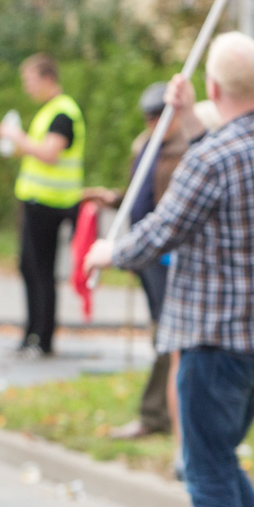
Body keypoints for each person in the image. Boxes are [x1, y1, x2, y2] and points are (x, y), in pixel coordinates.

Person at [86, 32, 254, 507]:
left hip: (216, 336)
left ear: (216, 89)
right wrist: (188, 120)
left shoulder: (210, 159)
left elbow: (162, 229)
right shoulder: (227, 146)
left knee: (204, 465)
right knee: (220, 458)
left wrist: (110, 250)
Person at [81, 81, 193, 439]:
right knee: (160, 330)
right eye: (147, 118)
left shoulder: (186, 149)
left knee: (167, 332)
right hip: (144, 254)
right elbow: (139, 194)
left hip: (168, 255)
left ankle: (155, 414)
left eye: (158, 116)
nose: (152, 123)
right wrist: (113, 199)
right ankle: (159, 412)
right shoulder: (146, 147)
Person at [0, 53, 85, 359]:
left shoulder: (63, 112)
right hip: (39, 201)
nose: (27, 88)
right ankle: (31, 334)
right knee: (30, 268)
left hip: (50, 203)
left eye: (30, 81)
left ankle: (42, 339)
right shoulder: (50, 111)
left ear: (47, 78)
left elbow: (49, 153)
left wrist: (16, 136)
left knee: (41, 271)